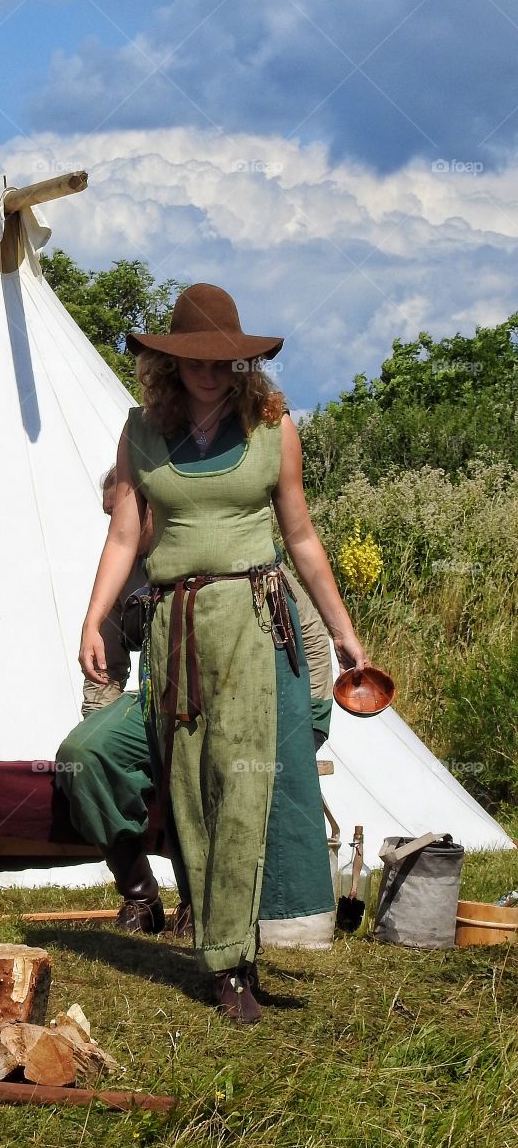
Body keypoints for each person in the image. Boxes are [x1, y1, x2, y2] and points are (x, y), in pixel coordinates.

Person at [78, 282, 368, 1024]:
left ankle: (237, 964)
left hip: (251, 618)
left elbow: (300, 535)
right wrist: (94, 618)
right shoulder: (141, 431)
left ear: (243, 364)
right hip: (173, 627)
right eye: (194, 361)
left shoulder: (273, 428)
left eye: (223, 362)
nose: (209, 373)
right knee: (189, 793)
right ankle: (215, 948)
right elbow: (123, 537)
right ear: (170, 364)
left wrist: (341, 629)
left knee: (242, 788)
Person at [58, 569, 335, 939]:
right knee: (86, 752)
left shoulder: (231, 539)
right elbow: (105, 660)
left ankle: (203, 906)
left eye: (121, 510)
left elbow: (309, 636)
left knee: (210, 768)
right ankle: (140, 896)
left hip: (240, 700)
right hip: (158, 701)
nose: (115, 515)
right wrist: (99, 722)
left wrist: (311, 718)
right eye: (111, 511)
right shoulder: (123, 568)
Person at [81, 468, 152, 717]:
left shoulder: (193, 555)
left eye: (119, 512)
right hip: (154, 708)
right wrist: (94, 729)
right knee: (81, 748)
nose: (115, 524)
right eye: (110, 514)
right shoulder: (119, 574)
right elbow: (105, 669)